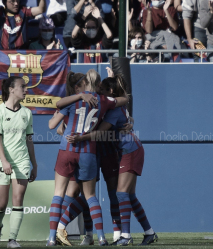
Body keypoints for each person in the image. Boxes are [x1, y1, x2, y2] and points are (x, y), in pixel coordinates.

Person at [66, 75, 158, 246]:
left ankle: (125, 235)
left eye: (102, 90)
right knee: (128, 195)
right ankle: (149, 232)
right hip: (126, 150)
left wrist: (81, 137)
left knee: (121, 194)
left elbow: (100, 131)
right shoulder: (110, 105)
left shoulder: (113, 109)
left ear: (110, 91)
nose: (99, 92)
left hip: (130, 150)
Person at [46, 71, 128, 246]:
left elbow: (54, 125)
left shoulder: (72, 101)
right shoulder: (102, 101)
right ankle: (100, 236)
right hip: (89, 151)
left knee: (63, 194)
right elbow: (124, 99)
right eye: (101, 86)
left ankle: (53, 236)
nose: (102, 89)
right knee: (89, 195)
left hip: (71, 150)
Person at [0, 76, 38, 248]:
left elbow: (29, 141)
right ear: (11, 89)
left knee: (18, 199)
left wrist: (34, 164)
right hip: (1, 161)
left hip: (22, 161)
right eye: (22, 86)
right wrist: (4, 161)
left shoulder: (27, 113)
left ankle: (12, 239)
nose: (26, 89)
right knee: (1, 204)